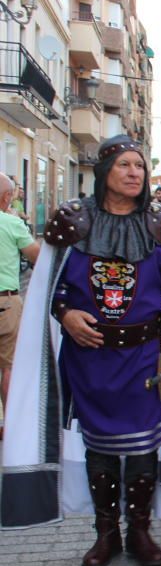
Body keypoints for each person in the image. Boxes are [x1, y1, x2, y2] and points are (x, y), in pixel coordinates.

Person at [0, 136, 161, 566]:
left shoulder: (160, 224)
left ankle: (140, 531)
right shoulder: (74, 222)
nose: (134, 173)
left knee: (143, 447)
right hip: (90, 356)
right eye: (124, 165)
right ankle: (107, 535)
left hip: (143, 357)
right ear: (106, 172)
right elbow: (50, 285)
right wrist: (65, 315)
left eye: (139, 166)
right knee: (98, 446)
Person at [0, 174, 38, 441]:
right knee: (9, 365)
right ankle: (9, 424)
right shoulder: (12, 223)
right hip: (6, 302)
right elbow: (37, 257)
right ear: (7, 197)